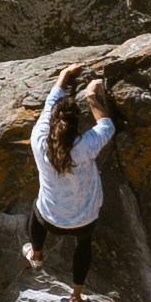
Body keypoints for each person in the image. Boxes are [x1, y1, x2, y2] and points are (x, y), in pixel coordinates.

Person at [23, 67, 117, 281]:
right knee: (84, 244)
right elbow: (107, 126)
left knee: (37, 208)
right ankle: (77, 294)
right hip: (85, 220)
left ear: (54, 120)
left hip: (50, 219)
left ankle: (36, 255)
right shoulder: (86, 146)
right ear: (76, 122)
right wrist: (91, 97)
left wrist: (63, 76)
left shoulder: (39, 139)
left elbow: (49, 105)